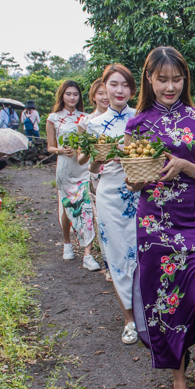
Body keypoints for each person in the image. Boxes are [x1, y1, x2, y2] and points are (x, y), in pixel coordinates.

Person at [125, 47, 195, 389]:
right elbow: (134, 183)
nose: (170, 86)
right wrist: (137, 175)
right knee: (162, 298)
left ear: (185, 79)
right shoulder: (137, 125)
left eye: (176, 79)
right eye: (162, 79)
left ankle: (184, 344)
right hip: (154, 224)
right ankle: (179, 380)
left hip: (193, 219)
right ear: (149, 79)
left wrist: (185, 165)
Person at [81, 65, 141, 343]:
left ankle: (149, 313)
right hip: (109, 195)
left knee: (143, 253)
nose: (119, 91)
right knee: (117, 256)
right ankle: (129, 320)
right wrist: (102, 157)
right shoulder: (91, 124)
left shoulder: (142, 117)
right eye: (113, 85)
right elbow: (90, 166)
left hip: (141, 192)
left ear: (132, 89)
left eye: (125, 85)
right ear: (103, 87)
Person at [45, 80, 100, 270]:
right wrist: (61, 150)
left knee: (85, 207)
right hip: (65, 168)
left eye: (75, 94)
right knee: (67, 208)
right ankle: (67, 243)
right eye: (68, 94)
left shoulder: (86, 118)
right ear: (62, 95)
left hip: (82, 168)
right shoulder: (53, 118)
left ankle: (88, 254)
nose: (72, 97)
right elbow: (50, 146)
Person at [82, 79, 113, 281]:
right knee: (104, 222)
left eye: (107, 92)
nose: (105, 96)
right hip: (98, 178)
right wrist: (95, 158)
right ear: (93, 96)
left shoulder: (129, 118)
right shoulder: (87, 123)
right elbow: (82, 158)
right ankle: (108, 264)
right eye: (100, 93)